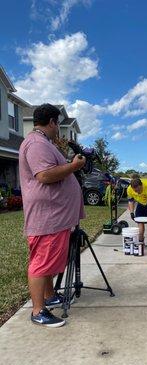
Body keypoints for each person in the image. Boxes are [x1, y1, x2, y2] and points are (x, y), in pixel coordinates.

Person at [19, 103, 86, 327]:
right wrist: (73, 166)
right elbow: (45, 175)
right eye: (57, 123)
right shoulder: (37, 143)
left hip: (54, 215)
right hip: (47, 216)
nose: (58, 128)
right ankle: (38, 310)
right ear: (52, 122)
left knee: (47, 262)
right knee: (41, 262)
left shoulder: (41, 142)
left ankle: (49, 297)